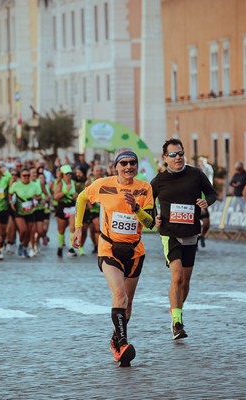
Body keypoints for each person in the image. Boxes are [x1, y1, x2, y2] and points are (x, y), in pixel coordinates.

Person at [71, 150, 154, 366]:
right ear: (115, 166)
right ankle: (124, 343)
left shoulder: (145, 188)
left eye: (132, 163)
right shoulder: (102, 185)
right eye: (124, 163)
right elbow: (81, 197)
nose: (128, 167)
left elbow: (150, 223)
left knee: (127, 304)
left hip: (135, 251)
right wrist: (78, 229)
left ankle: (115, 340)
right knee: (119, 294)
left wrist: (136, 208)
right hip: (108, 248)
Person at [151, 139, 217, 340]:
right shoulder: (159, 180)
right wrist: (154, 216)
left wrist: (207, 201)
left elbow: (213, 193)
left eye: (180, 153)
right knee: (177, 276)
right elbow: (147, 203)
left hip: (191, 232)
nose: (178, 157)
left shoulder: (196, 174)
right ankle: (177, 323)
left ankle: (177, 309)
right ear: (165, 158)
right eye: (173, 155)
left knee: (185, 282)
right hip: (169, 233)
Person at [54, 165, 77, 257]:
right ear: (63, 175)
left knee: (72, 227)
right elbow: (55, 197)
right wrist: (65, 191)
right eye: (67, 174)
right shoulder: (60, 184)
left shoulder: (73, 182)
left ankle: (71, 248)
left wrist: (75, 195)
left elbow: (75, 193)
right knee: (61, 230)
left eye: (70, 174)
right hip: (62, 207)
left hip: (71, 206)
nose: (69, 176)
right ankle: (60, 246)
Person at [197, 157, 214, 247]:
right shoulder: (195, 175)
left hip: (204, 203)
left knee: (206, 224)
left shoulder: (207, 169)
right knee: (197, 224)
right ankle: (195, 241)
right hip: (195, 205)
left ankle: (202, 236)